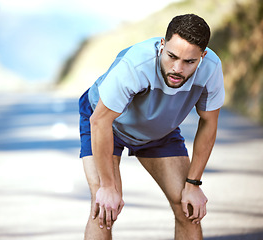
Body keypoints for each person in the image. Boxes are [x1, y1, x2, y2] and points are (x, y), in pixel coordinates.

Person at [78, 14, 225, 240]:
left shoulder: (212, 69)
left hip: (159, 130)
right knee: (104, 209)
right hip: (108, 124)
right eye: (172, 56)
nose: (177, 68)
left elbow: (208, 122)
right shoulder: (136, 64)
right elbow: (100, 121)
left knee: (187, 208)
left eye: (189, 62)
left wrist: (193, 184)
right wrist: (107, 186)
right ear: (162, 45)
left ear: (202, 57)